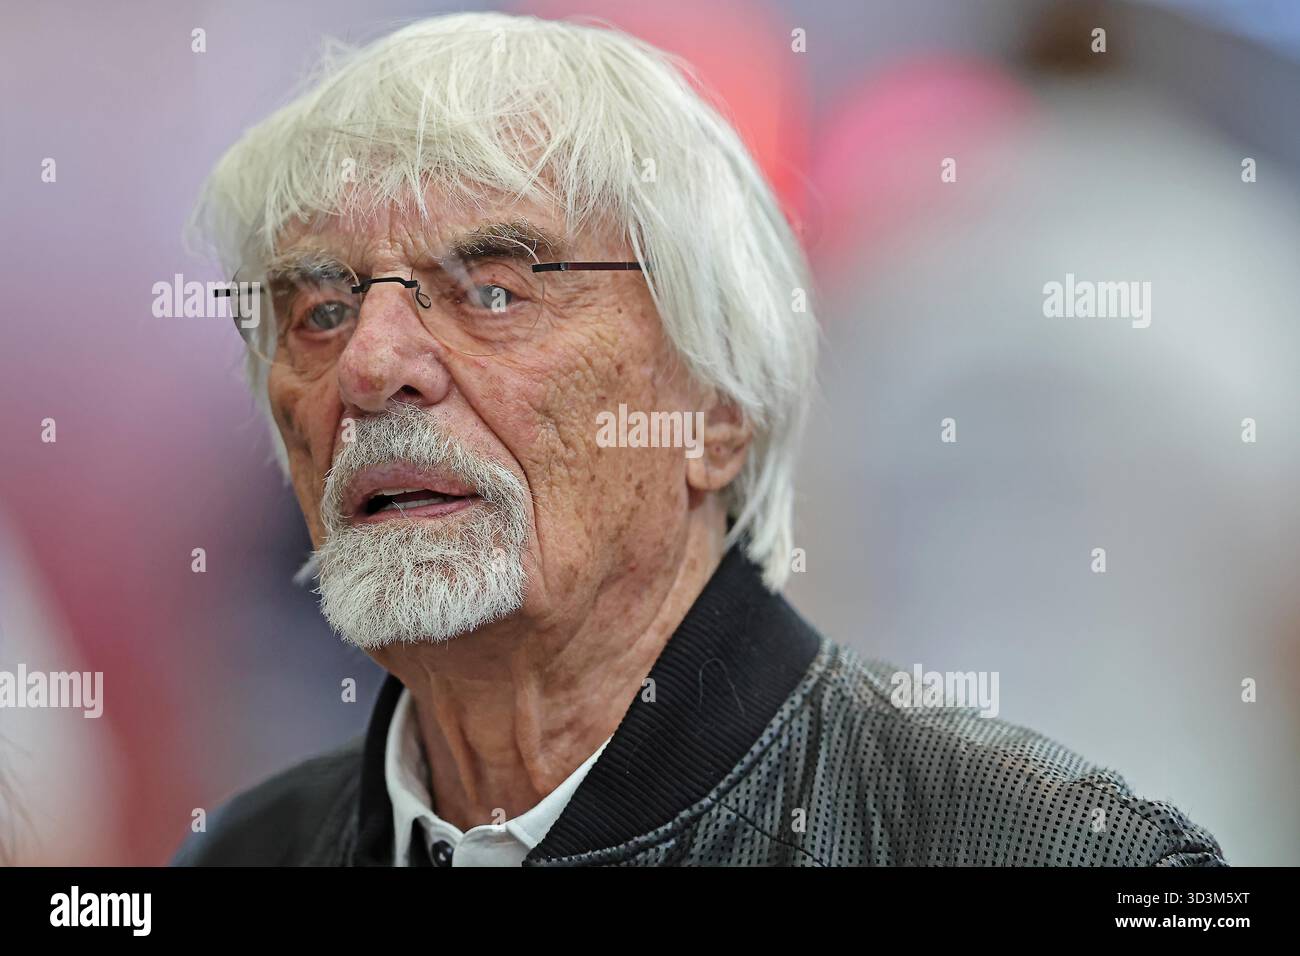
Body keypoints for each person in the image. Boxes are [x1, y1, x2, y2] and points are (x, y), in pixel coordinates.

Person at [173, 12, 1223, 866]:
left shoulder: (1046, 853)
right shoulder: (237, 854)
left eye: (489, 288)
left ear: (715, 410)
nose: (368, 363)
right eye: (318, 309)